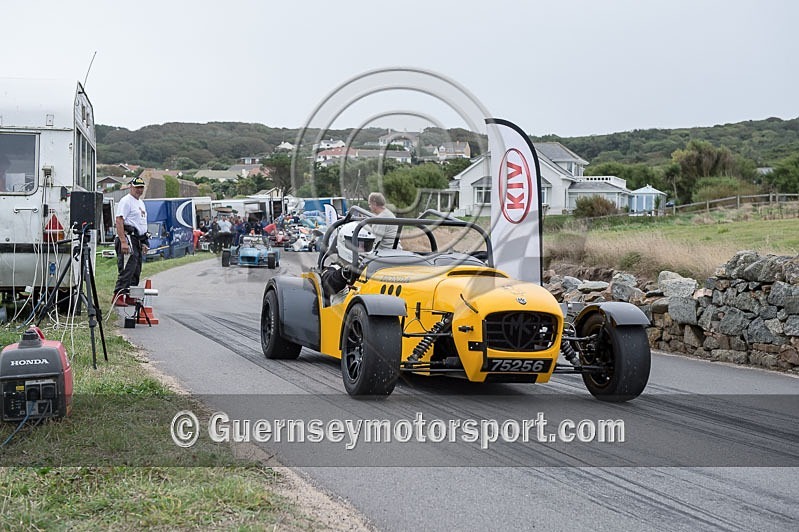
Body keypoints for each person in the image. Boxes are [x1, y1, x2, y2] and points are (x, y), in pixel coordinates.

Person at [113, 176, 149, 307]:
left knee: (136, 270)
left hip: (137, 239)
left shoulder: (140, 203)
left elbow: (141, 223)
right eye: (137, 187)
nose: (139, 190)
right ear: (131, 187)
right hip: (128, 237)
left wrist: (144, 242)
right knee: (127, 268)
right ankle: (118, 295)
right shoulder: (126, 201)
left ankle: (130, 295)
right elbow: (119, 220)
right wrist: (123, 241)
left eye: (141, 187)